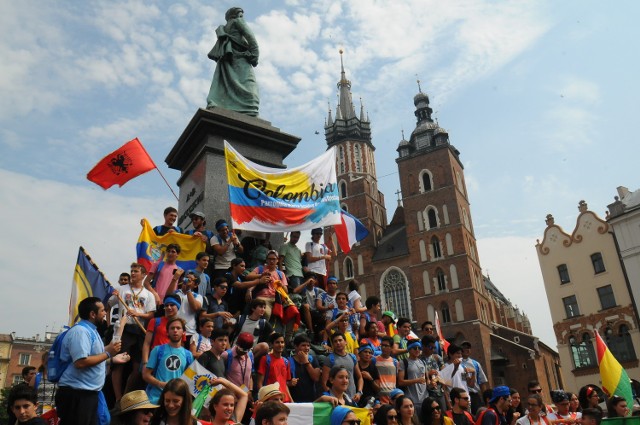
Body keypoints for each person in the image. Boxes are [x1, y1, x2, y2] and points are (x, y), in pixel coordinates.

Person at [55, 296, 128, 425]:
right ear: (92, 314)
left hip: (89, 393)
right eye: (102, 311)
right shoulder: (80, 332)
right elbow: (81, 362)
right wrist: (108, 353)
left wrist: (112, 358)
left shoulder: (91, 331)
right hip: (77, 394)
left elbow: (97, 354)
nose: (106, 314)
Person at [109, 262, 157, 401]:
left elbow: (151, 314)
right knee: (118, 364)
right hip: (124, 329)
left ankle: (127, 395)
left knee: (138, 366)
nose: (133, 273)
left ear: (143, 275)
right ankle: (118, 398)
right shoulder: (122, 289)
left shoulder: (148, 294)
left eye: (136, 271)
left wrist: (138, 314)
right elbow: (109, 305)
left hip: (140, 330)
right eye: (132, 271)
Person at [206, 7, 260, 116]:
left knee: (225, 85)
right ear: (235, 15)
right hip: (240, 59)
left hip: (226, 60)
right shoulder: (238, 22)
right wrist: (254, 56)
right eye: (240, 14)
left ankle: (224, 106)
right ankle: (249, 110)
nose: (241, 17)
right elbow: (251, 38)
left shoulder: (223, 29)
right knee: (249, 88)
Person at [143, 317, 194, 404]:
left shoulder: (188, 355)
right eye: (172, 328)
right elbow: (146, 375)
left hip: (176, 401)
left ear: (183, 332)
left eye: (178, 328)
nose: (175, 330)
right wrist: (160, 384)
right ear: (167, 332)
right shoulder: (157, 350)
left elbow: (190, 380)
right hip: (156, 399)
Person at [142, 294, 184, 366]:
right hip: (155, 360)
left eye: (172, 305)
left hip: (172, 362)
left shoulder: (181, 324)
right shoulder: (155, 321)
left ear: (178, 307)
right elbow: (147, 343)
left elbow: (181, 346)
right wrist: (145, 362)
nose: (169, 307)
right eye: (166, 305)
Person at [322, 332, 363, 400]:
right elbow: (324, 382)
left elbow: (360, 377)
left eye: (340, 340)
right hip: (337, 400)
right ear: (332, 344)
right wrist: (332, 398)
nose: (338, 343)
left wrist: (359, 392)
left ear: (345, 342)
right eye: (335, 341)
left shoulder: (352, 357)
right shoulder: (329, 359)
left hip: (352, 398)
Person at [251, 249, 288, 321]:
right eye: (269, 259)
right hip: (262, 297)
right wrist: (261, 276)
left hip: (277, 299)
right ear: (266, 260)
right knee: (266, 313)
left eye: (274, 259)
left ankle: (288, 332)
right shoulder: (260, 269)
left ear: (277, 260)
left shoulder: (281, 273)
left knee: (293, 310)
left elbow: (286, 291)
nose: (271, 261)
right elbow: (249, 276)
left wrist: (281, 285)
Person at [256, 333, 293, 402]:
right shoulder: (265, 359)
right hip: (272, 400)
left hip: (284, 400)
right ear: (271, 344)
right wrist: (262, 399)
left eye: (282, 342)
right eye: (277, 342)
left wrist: (291, 399)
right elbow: (259, 382)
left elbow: (284, 384)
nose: (280, 345)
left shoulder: (286, 361)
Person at [288, 333, 321, 402]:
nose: (306, 348)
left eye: (308, 346)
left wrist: (306, 362)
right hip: (294, 400)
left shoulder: (313, 360)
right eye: (303, 345)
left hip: (311, 400)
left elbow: (316, 378)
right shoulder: (288, 361)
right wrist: (289, 383)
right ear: (295, 346)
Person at [398, 340, 427, 416]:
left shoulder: (422, 362)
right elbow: (400, 382)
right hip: (412, 401)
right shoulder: (403, 362)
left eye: (419, 348)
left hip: (425, 399)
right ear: (409, 349)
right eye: (414, 348)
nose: (417, 350)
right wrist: (417, 380)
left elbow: (425, 380)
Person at [460, 341, 488, 415]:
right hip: (461, 394)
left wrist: (485, 399)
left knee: (478, 416)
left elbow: (482, 382)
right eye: (464, 348)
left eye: (468, 348)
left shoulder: (476, 364)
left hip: (474, 395)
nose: (467, 350)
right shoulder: (457, 363)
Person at [421, 335, 446, 411]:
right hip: (426, 394)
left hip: (439, 393)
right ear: (424, 346)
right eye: (430, 347)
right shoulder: (419, 359)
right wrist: (428, 374)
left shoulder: (437, 357)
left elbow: (444, 373)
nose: (433, 350)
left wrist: (439, 376)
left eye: (434, 347)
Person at [375, 336, 398, 404]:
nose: (383, 347)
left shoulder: (395, 362)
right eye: (382, 345)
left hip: (392, 397)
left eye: (386, 346)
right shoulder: (374, 360)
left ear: (391, 347)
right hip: (379, 397)